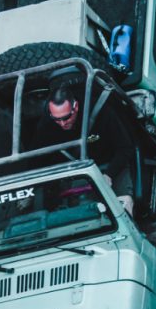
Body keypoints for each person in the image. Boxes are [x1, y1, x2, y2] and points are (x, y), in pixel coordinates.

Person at [32, 77, 136, 216]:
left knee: (124, 205)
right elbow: (37, 160)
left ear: (75, 107)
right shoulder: (46, 125)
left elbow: (125, 147)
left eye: (66, 118)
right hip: (77, 172)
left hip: (111, 164)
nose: (62, 123)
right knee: (81, 213)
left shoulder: (101, 110)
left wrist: (109, 174)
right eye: (57, 119)